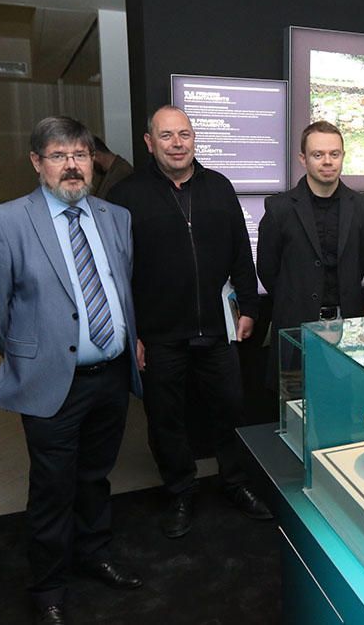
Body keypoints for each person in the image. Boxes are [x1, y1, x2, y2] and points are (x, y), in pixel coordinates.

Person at [0, 116, 144, 625]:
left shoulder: (116, 217)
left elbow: (121, 287)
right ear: (36, 162)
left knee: (95, 477)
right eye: (58, 155)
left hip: (110, 378)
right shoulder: (4, 221)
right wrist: (32, 357)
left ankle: (95, 554)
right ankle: (48, 585)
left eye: (81, 154)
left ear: (94, 160)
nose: (72, 166)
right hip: (53, 384)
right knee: (53, 487)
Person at [106, 105, 270, 539]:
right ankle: (179, 492)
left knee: (232, 410)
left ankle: (235, 483)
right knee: (165, 419)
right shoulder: (126, 196)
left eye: (184, 134)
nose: (177, 144)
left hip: (218, 331)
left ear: (194, 138)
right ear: (149, 142)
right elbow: (116, 272)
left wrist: (250, 308)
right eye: (166, 136)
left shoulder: (219, 186)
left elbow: (240, 252)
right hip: (160, 335)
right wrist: (133, 333)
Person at [256, 121, 364, 392]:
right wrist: (294, 296)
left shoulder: (361, 206)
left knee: (344, 408)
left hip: (346, 328)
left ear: (343, 156)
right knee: (296, 413)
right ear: (303, 159)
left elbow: (363, 261)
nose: (327, 161)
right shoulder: (279, 208)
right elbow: (268, 270)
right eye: (318, 155)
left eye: (334, 154)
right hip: (296, 327)